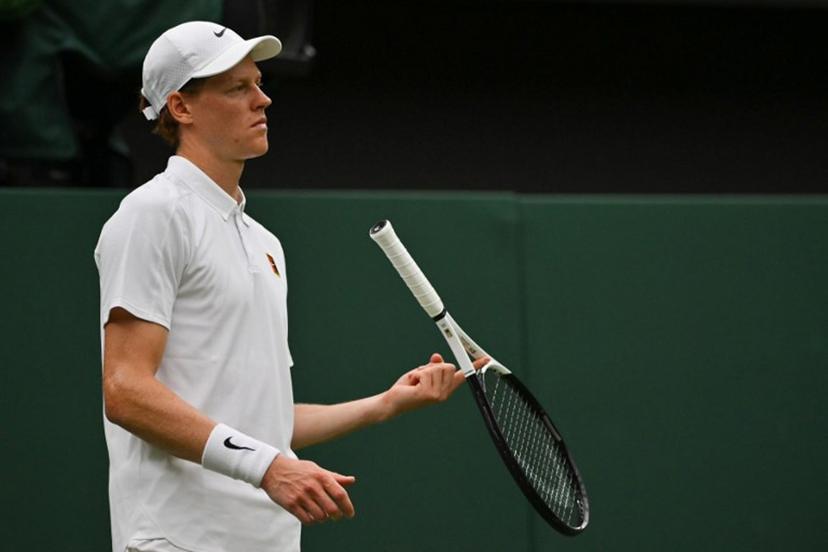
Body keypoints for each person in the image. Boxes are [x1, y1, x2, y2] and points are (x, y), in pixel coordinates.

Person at [94, 21, 486, 552]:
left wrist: (387, 403)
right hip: (176, 539)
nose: (264, 99)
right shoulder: (152, 214)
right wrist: (271, 468)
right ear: (181, 108)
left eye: (258, 82)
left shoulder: (266, 244)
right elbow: (126, 392)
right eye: (238, 88)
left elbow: (264, 423)